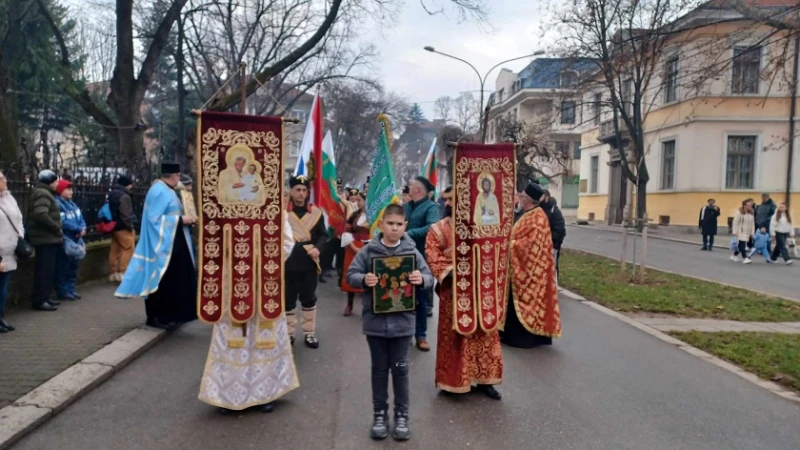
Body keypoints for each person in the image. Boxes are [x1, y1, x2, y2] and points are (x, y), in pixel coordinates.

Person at [346, 203, 434, 441]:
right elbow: (351, 275)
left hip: (403, 323)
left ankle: (402, 415)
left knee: (401, 369)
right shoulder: (369, 251)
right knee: (378, 369)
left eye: (398, 225)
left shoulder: (412, 252)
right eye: (390, 224)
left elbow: (429, 277)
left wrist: (420, 279)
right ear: (381, 224)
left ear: (404, 226)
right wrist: (365, 279)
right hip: (375, 323)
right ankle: (379, 414)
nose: (394, 229)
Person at [199, 211, 299, 414]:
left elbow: (287, 244)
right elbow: (211, 244)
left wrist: (260, 260)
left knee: (264, 340)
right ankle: (227, 395)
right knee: (233, 340)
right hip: (231, 288)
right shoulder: (222, 209)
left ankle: (265, 394)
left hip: (264, 284)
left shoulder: (275, 211)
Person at [426, 189, 502, 400]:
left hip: (480, 291)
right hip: (454, 292)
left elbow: (492, 251)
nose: (449, 202)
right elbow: (433, 254)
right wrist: (457, 269)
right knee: (455, 336)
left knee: (484, 334)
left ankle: (486, 380)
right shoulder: (437, 229)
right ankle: (453, 380)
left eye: (454, 198)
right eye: (447, 199)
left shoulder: (480, 226)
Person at [115, 162, 198, 329]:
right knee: (161, 281)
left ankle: (172, 315)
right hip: (162, 245)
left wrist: (185, 220)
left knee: (174, 279)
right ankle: (156, 317)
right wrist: (181, 219)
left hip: (173, 242)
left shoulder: (167, 190)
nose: (179, 178)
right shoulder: (159, 191)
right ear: (175, 175)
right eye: (179, 175)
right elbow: (154, 220)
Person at [500, 181, 561, 348]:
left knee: (525, 304)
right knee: (512, 302)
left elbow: (530, 244)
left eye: (521, 196)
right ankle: (509, 334)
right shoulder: (527, 214)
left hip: (532, 272)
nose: (519, 198)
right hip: (519, 268)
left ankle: (523, 338)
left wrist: (509, 245)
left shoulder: (538, 217)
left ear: (527, 199)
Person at [285, 175, 327, 348]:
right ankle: (288, 334)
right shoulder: (283, 212)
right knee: (287, 300)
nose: (301, 194)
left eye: (304, 190)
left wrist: (318, 248)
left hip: (308, 262)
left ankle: (309, 333)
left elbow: (323, 235)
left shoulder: (315, 212)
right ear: (291, 191)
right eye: (298, 190)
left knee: (308, 298)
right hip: (287, 261)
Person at [403, 176, 440, 351]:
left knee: (422, 300)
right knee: (402, 296)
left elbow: (432, 227)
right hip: (402, 257)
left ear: (418, 189)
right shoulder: (405, 207)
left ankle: (421, 336)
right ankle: (405, 333)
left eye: (411, 185)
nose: (409, 187)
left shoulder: (432, 207)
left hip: (422, 259)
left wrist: (408, 233)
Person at [27, 170, 63, 312]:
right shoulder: (43, 193)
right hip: (45, 238)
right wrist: (56, 229)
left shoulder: (44, 192)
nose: (57, 183)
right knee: (44, 270)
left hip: (47, 238)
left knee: (48, 270)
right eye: (55, 181)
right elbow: (41, 214)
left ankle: (44, 297)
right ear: (49, 182)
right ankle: (40, 300)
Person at [54, 180, 86, 301]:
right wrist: (78, 229)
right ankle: (63, 291)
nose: (71, 192)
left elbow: (81, 217)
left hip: (76, 238)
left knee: (73, 266)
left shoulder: (72, 204)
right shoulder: (58, 204)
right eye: (68, 189)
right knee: (64, 266)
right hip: (67, 238)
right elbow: (63, 222)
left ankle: (71, 289)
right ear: (61, 191)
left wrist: (82, 228)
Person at [0, 170, 23, 331]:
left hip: (10, 250)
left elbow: (19, 219)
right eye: (1, 179)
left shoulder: (9, 198)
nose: (5, 180)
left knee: (3, 288)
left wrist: (20, 236)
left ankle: (1, 317)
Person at [340, 191, 369, 316]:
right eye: (355, 200)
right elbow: (346, 232)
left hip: (369, 248)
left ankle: (367, 307)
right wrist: (353, 246)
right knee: (351, 275)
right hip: (353, 248)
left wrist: (365, 248)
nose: (356, 202)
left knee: (368, 277)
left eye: (359, 200)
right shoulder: (353, 216)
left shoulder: (375, 216)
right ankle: (349, 305)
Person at [108, 176, 136, 283]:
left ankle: (112, 273)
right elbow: (125, 214)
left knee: (115, 250)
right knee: (128, 249)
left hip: (113, 226)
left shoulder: (112, 193)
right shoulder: (125, 196)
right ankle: (123, 273)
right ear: (127, 184)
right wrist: (130, 226)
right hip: (123, 227)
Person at [541, 189, 566, 282]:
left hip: (552, 245)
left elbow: (560, 229)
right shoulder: (538, 208)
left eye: (541, 195)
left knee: (552, 266)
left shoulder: (553, 210)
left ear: (546, 197)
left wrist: (553, 242)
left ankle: (553, 287)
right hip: (541, 245)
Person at [731, 198, 756, 264]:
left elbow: (753, 223)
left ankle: (734, 255)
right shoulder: (739, 212)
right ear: (744, 205)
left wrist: (752, 232)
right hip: (740, 231)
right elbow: (735, 222)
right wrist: (735, 232)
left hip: (748, 232)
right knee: (742, 245)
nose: (750, 206)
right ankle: (745, 258)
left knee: (740, 246)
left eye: (751, 205)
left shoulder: (751, 213)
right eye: (748, 205)